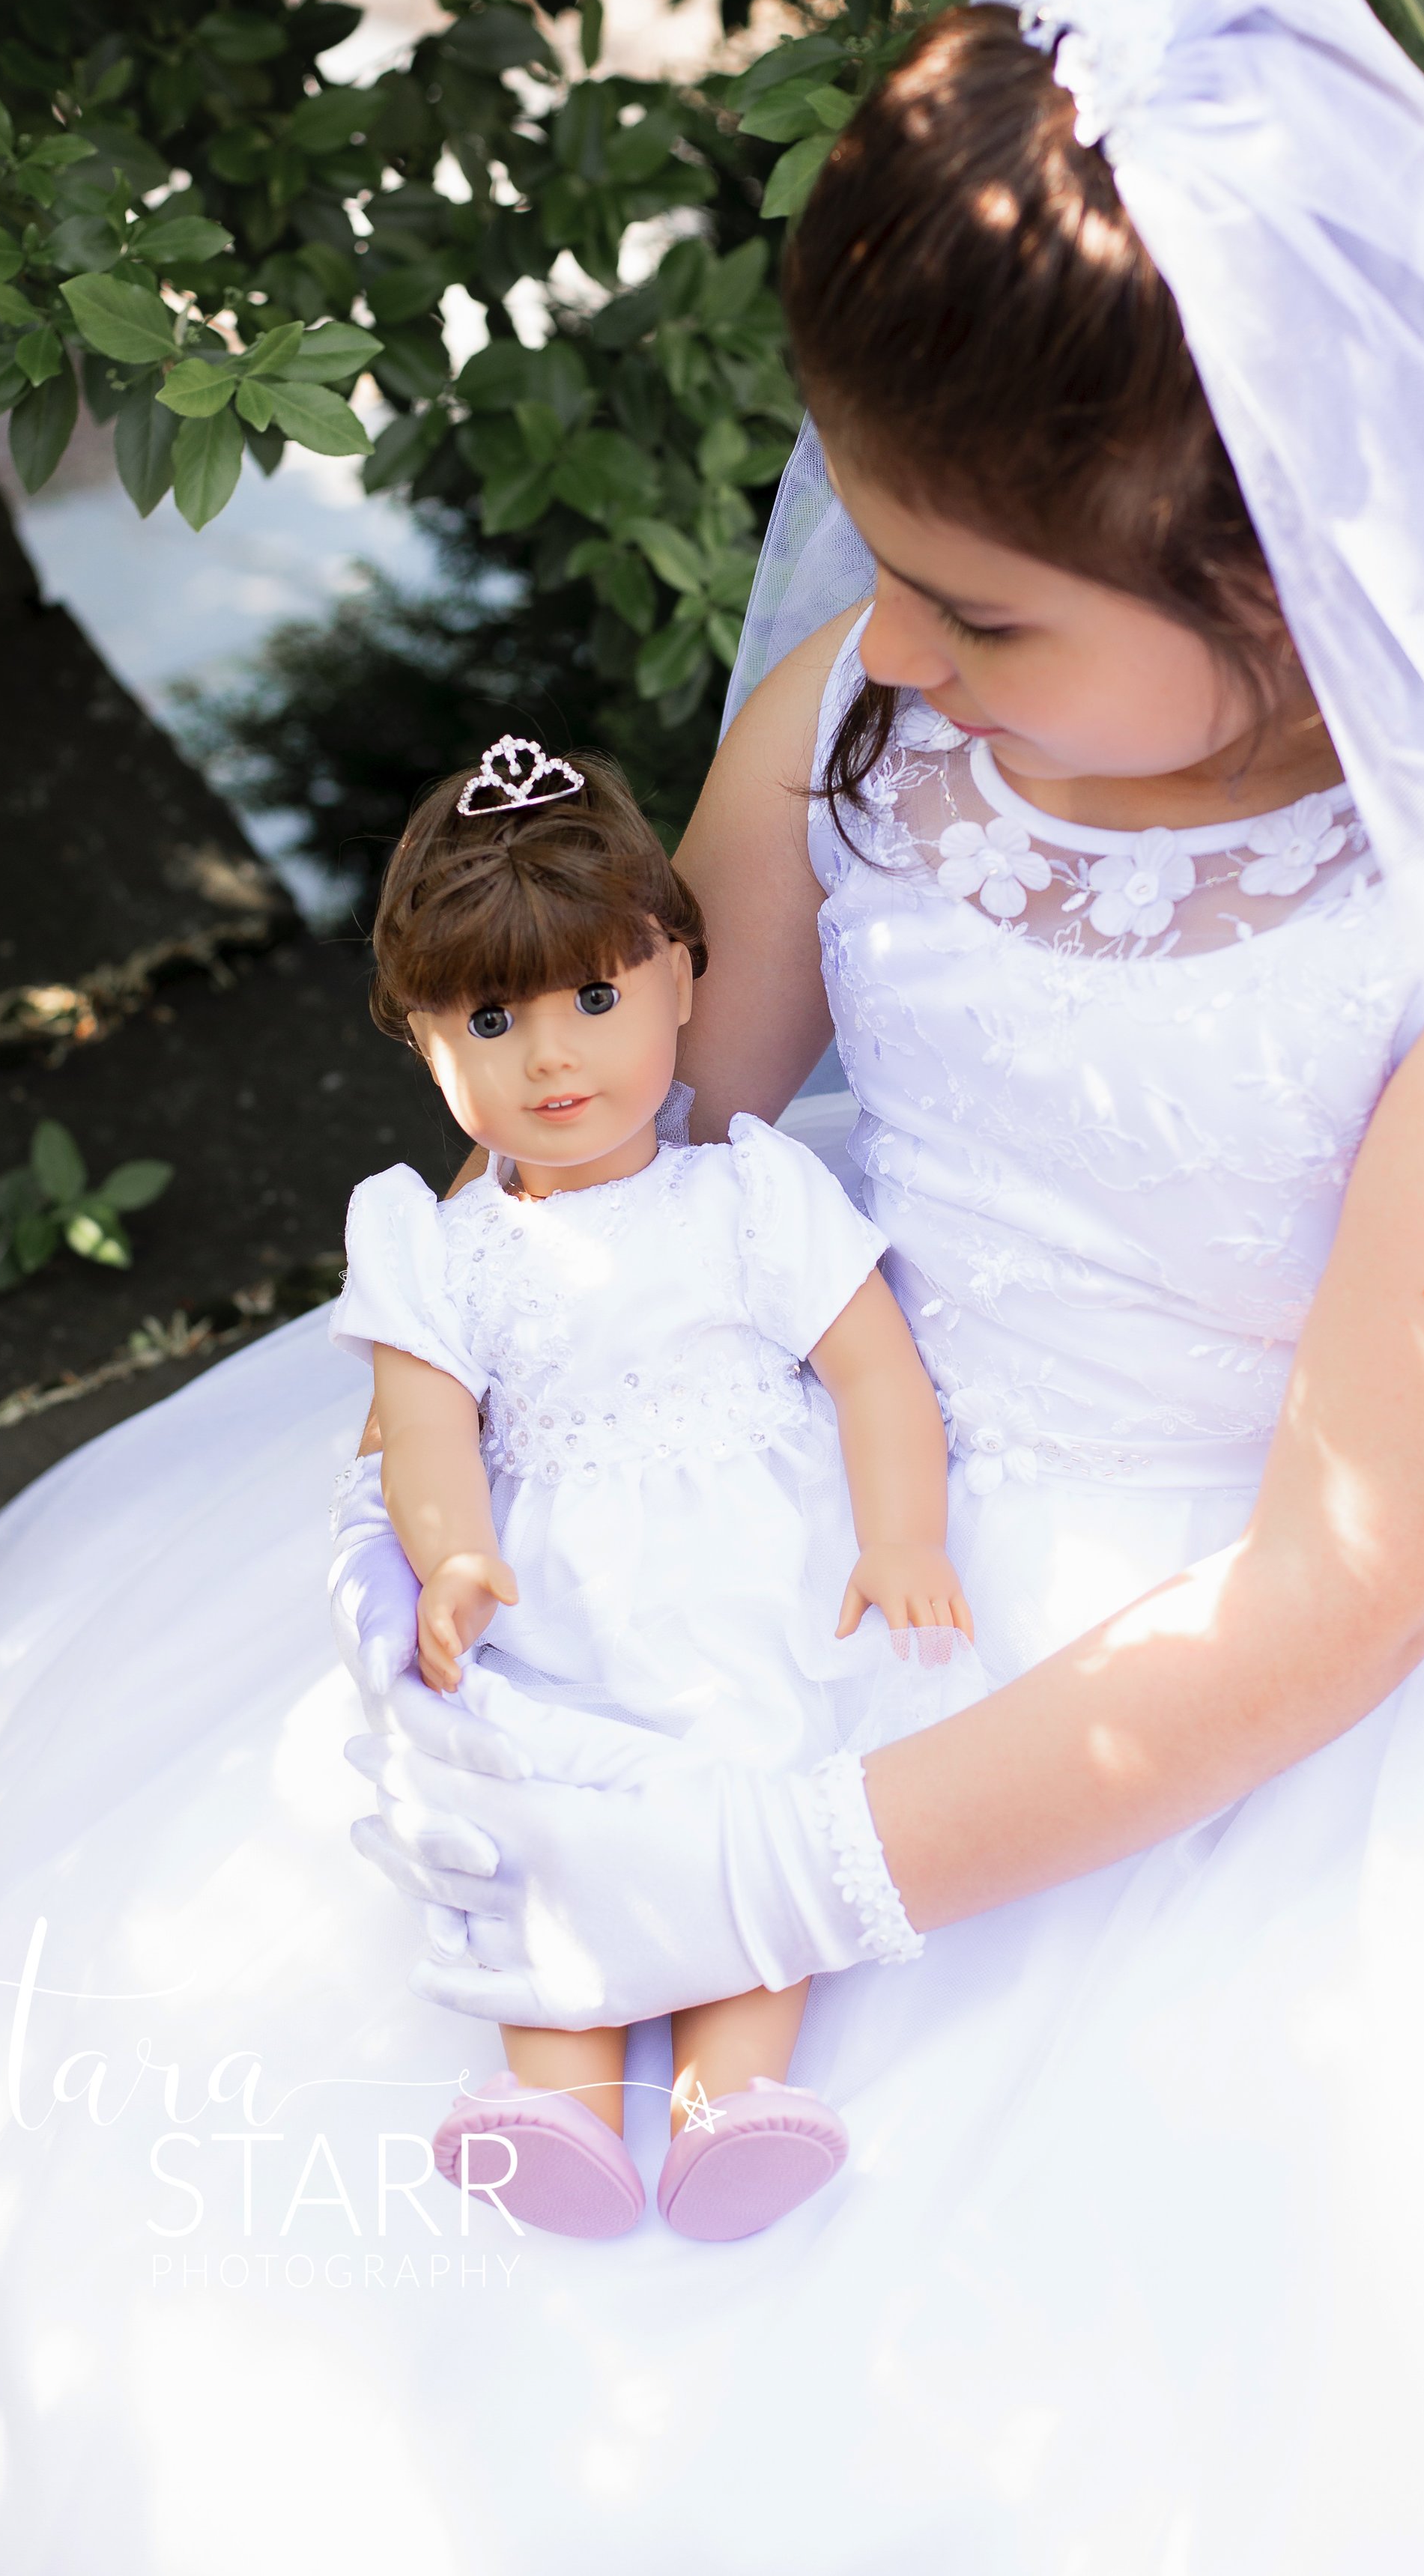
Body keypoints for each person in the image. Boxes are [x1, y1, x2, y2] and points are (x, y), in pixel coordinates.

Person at [0, 0, 1424, 2576]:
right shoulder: (866, 721)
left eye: (982, 605)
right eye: (872, 552)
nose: (884, 634)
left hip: (1236, 1665)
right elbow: (645, 1140)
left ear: (1275, 570)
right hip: (804, 1481)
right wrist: (453, 1444)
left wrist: (772, 1862)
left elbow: (1326, 1609)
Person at [334, 735, 978, 2241]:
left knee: (750, 1803)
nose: (552, 1059)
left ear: (684, 977)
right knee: (545, 1817)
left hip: (753, 1572)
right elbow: (421, 1431)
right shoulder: (436, 1249)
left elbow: (874, 1371)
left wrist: (898, 1536)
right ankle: (549, 2100)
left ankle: (725, 2100)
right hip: (552, 1585)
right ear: (421, 1036)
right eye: (491, 1019)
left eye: (596, 1000)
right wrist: (454, 1561)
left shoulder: (749, 1194)